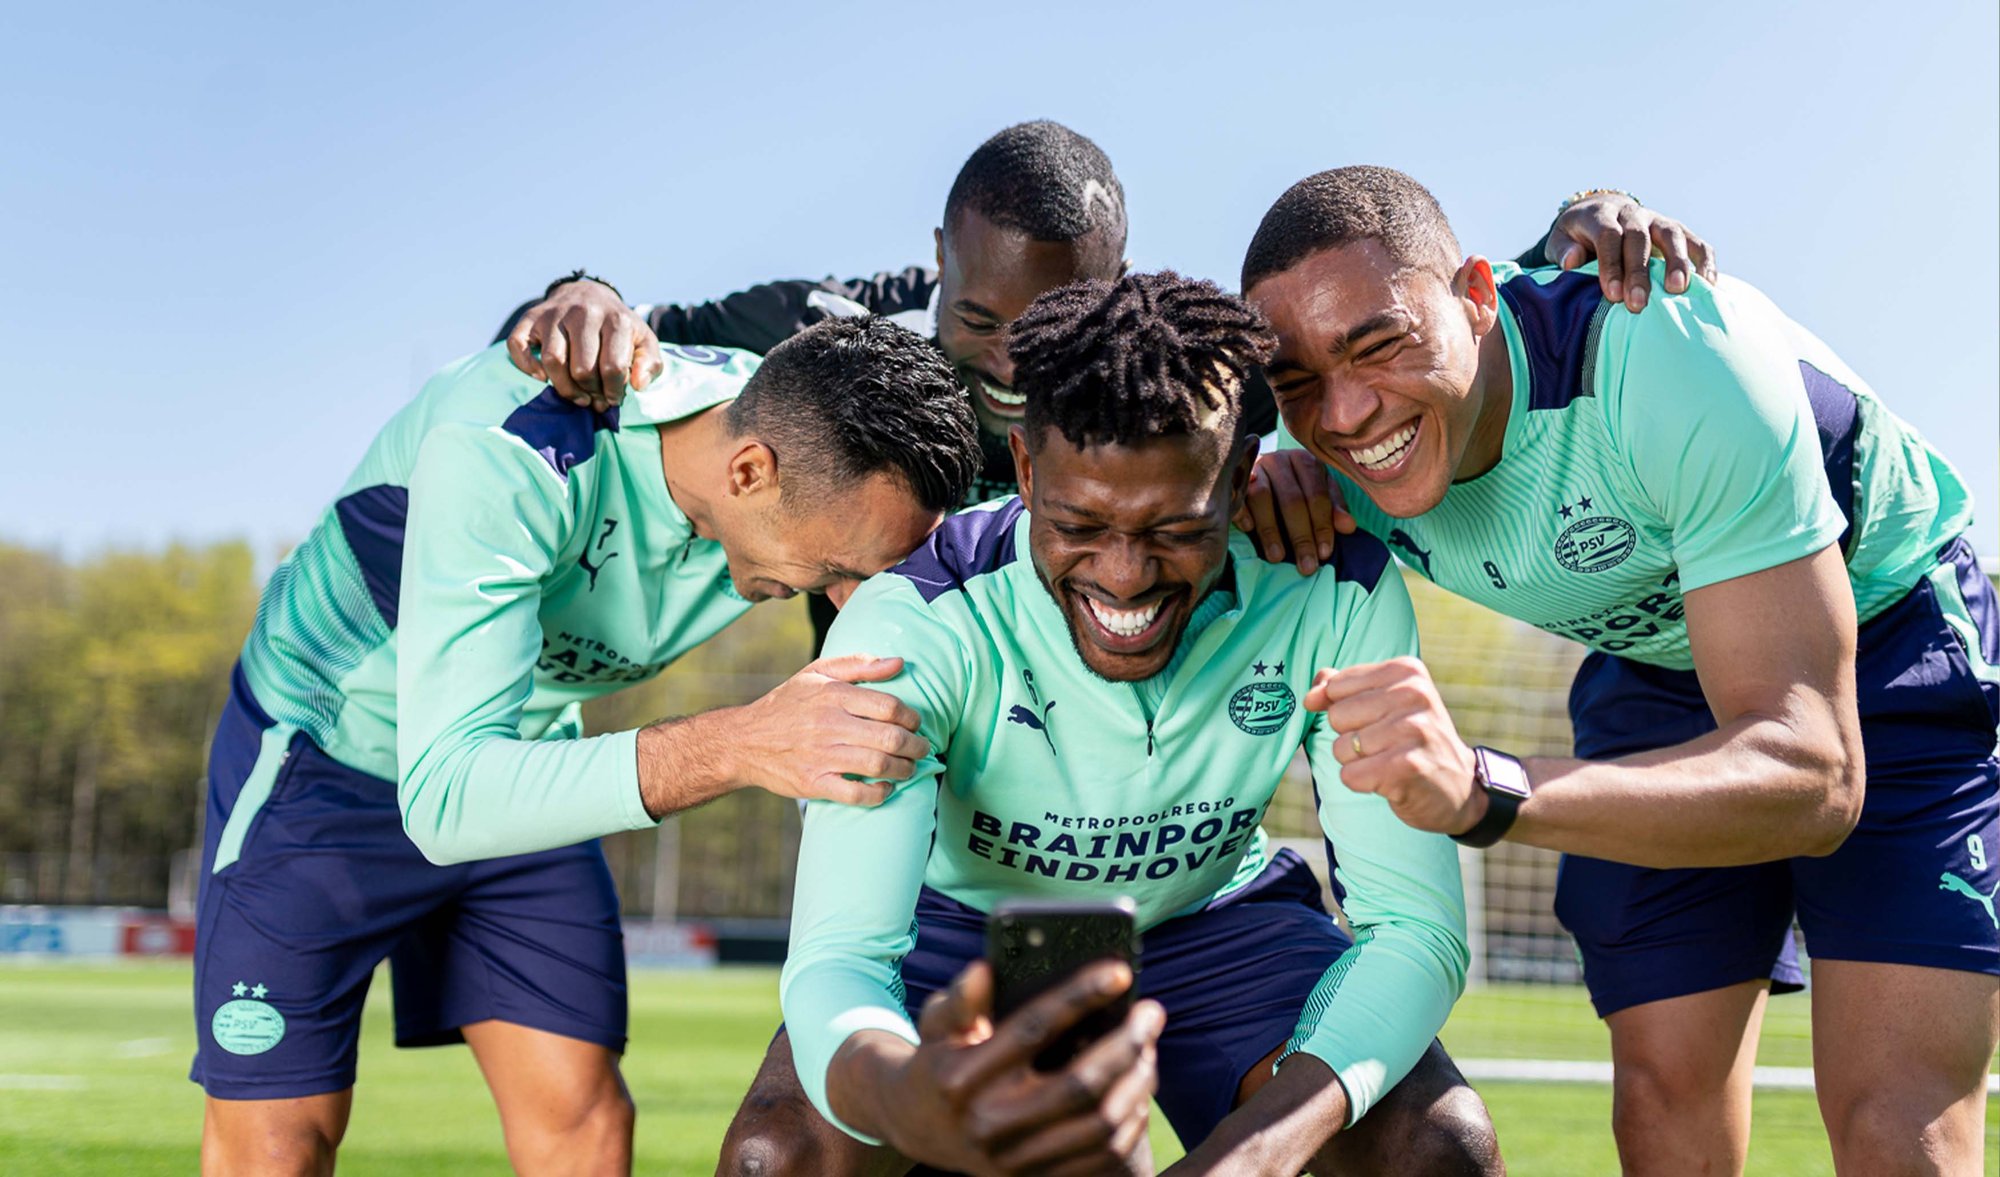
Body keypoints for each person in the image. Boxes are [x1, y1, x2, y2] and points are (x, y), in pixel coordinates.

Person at [1237, 165, 1998, 1175]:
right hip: (1649, 658)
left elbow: (1814, 776)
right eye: (1295, 383)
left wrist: (1484, 787)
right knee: (1657, 1106)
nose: (1342, 414)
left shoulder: (1665, 350)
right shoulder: (1317, 470)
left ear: (1473, 297)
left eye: (1378, 345)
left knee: (1892, 1127)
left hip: (1880, 639)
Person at [726, 271, 1500, 1176]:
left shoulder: (1335, 584)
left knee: (1440, 1150)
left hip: (1210, 917)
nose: (1125, 576)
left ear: (1242, 478)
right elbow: (839, 958)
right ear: (1022, 468)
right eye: (1080, 523)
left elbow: (1416, 926)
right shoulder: (912, 621)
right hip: (962, 922)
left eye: (1173, 526)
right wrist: (904, 1092)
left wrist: (1249, 1156)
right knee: (776, 1157)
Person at [192, 317, 981, 1174]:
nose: (851, 597)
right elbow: (447, 798)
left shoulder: (804, 430)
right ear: (749, 472)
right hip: (324, 760)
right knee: (278, 1144)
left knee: (587, 1122)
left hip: (522, 751)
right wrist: (744, 742)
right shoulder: (510, 446)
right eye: (838, 568)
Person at [497, 120, 1714, 647]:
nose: (1015, 360)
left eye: (1050, 325)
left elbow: (1397, 325)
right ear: (934, 265)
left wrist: (1581, 223)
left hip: (1090, 768)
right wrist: (576, 294)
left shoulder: (1149, 356)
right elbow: (616, 335)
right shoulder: (827, 329)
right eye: (978, 318)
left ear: (1117, 280)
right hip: (888, 740)